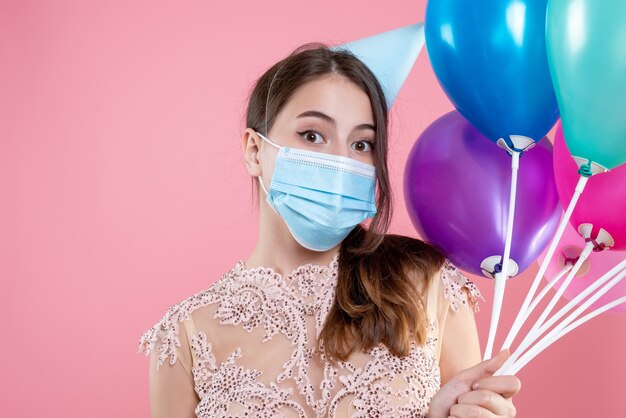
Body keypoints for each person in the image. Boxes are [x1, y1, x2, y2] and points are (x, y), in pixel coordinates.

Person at [138, 42, 521, 418]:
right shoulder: (186, 336)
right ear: (255, 150)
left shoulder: (425, 284)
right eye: (313, 135)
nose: (340, 162)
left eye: (361, 143)